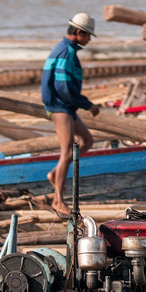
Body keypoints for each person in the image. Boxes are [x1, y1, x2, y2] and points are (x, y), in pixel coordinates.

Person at [41, 13, 101, 214]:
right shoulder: (65, 52)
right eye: (88, 35)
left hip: (65, 107)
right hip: (60, 107)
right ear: (79, 32)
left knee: (87, 140)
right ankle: (58, 201)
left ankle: (55, 173)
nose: (89, 39)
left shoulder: (66, 50)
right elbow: (63, 86)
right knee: (67, 152)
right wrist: (87, 105)